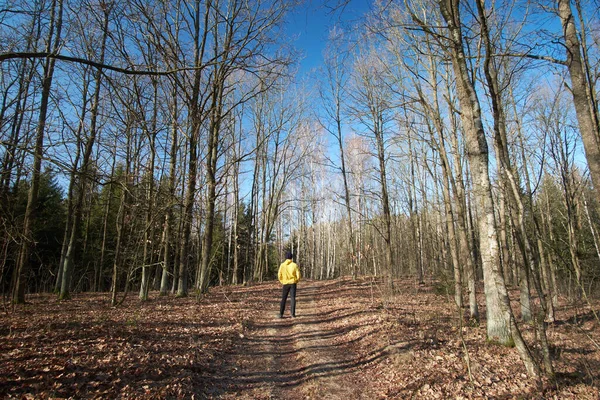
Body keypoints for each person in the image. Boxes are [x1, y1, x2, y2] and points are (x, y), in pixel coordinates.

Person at [278, 250, 301, 318]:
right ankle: (292, 314)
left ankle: (281, 314)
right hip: (293, 283)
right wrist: (296, 280)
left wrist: (282, 281)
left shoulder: (282, 265)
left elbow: (279, 275)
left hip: (285, 283)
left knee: (283, 298)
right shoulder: (294, 265)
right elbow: (298, 275)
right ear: (291, 257)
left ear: (286, 257)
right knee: (293, 298)